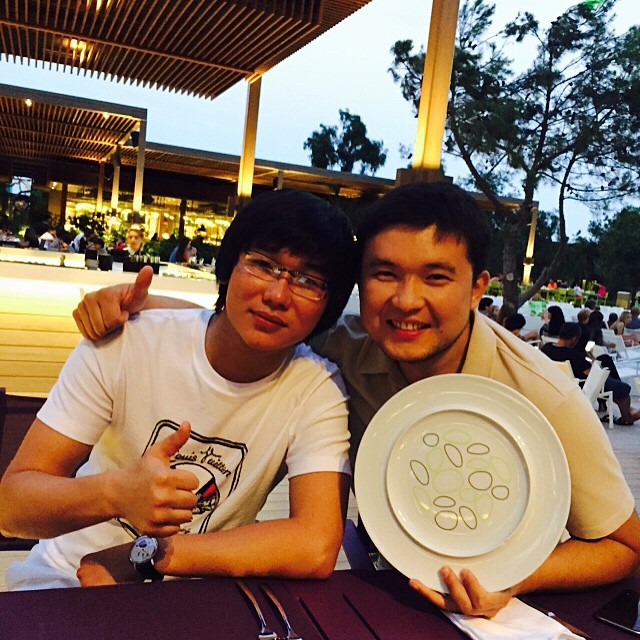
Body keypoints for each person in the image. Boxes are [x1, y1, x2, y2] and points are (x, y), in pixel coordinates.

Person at [70, 181, 640, 619]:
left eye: (436, 278)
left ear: (477, 289)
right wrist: (138, 306)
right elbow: (257, 320)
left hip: (490, 608)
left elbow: (625, 546)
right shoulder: (346, 346)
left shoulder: (541, 394)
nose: (406, 301)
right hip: (379, 581)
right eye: (384, 274)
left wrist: (510, 577)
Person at [0, 190, 356, 591]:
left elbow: (315, 544)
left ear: (329, 304)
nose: (277, 296)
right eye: (262, 264)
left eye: (309, 281)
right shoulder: (129, 343)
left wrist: (147, 556)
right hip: (67, 578)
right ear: (230, 265)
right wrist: (116, 494)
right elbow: (11, 506)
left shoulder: (316, 388)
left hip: (199, 592)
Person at [541, 322, 640, 425]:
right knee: (623, 389)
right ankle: (627, 417)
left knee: (605, 361)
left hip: (559, 382)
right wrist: (596, 366)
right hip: (583, 385)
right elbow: (591, 373)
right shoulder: (572, 354)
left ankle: (625, 408)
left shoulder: (547, 348)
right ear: (574, 339)